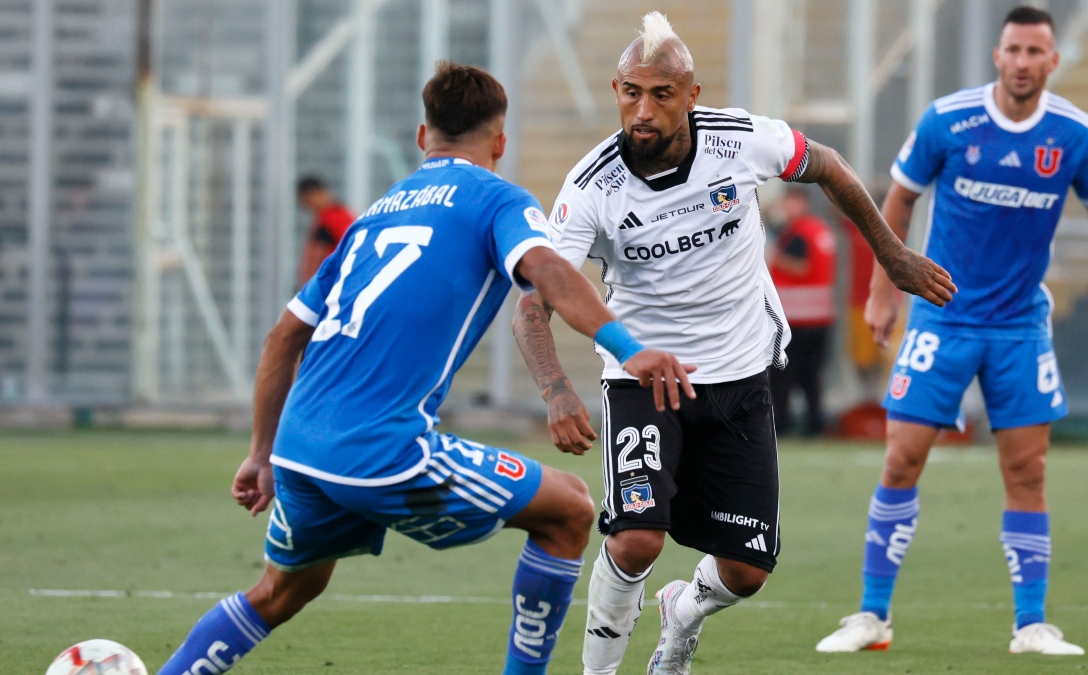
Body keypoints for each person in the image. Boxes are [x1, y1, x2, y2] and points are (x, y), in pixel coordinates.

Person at [153, 62, 695, 675]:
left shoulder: (373, 216)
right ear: (499, 142)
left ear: (421, 137)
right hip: (382, 448)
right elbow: (548, 272)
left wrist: (260, 453)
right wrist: (627, 347)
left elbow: (283, 338)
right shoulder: (497, 199)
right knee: (569, 508)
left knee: (282, 592)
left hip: (300, 449)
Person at [511, 12, 956, 674]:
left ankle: (683, 613)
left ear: (691, 94)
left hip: (741, 375)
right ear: (615, 90)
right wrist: (554, 388)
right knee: (635, 540)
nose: (644, 109)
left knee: (748, 570)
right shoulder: (591, 187)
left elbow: (827, 165)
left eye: (662, 94)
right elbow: (533, 302)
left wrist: (891, 256)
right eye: (632, 92)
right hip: (642, 381)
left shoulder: (740, 139)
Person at [815, 6, 1088, 656]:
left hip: (1020, 326)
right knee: (900, 457)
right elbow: (900, 197)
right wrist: (884, 289)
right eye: (1014, 51)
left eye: (1036, 52)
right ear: (996, 56)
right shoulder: (948, 119)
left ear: (1053, 61)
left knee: (1027, 469)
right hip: (942, 315)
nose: (1024, 62)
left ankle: (1031, 624)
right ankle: (871, 616)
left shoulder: (1076, 134)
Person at [767, 186, 837, 436]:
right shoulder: (821, 230)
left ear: (802, 202)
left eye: (789, 202)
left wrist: (773, 256)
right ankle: (814, 425)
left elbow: (801, 267)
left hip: (796, 317)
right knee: (811, 378)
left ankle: (783, 424)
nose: (786, 208)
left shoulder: (798, 233)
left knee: (783, 376)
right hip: (821, 317)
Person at [296, 176, 355, 283]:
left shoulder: (329, 220)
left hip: (330, 283)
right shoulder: (344, 214)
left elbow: (318, 256)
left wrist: (308, 286)